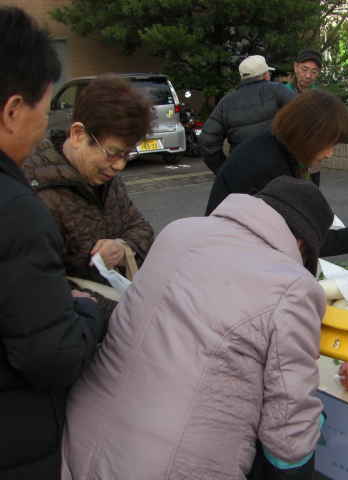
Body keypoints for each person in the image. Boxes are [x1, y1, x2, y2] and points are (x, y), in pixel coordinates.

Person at [62, 176, 334, 479]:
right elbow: (287, 424)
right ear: (300, 243)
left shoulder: (178, 230)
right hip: (171, 463)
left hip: (83, 430)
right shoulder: (294, 286)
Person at [0, 7, 104, 479]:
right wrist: (84, 310)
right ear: (12, 111)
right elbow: (52, 355)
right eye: (45, 110)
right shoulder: (17, 208)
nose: (47, 124)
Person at [204, 90, 348, 258]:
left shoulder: (271, 145)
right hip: (227, 258)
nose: (329, 154)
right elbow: (295, 240)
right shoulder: (269, 168)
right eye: (327, 144)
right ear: (309, 135)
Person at [23, 74, 155, 322]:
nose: (119, 166)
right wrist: (124, 315)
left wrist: (121, 247)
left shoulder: (104, 176)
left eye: (127, 155)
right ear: (78, 134)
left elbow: (141, 227)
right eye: (113, 153)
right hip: (84, 326)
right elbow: (42, 289)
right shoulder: (39, 192)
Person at [200, 55, 297, 175]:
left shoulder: (225, 102)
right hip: (276, 170)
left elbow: (207, 141)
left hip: (241, 173)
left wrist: (224, 171)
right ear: (266, 75)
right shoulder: (277, 90)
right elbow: (305, 111)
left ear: (242, 79)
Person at [286, 47, 323, 185]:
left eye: (314, 72)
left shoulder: (319, 98)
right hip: (287, 161)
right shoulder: (281, 93)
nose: (308, 75)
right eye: (304, 69)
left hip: (311, 164)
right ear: (296, 67)